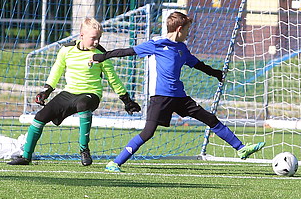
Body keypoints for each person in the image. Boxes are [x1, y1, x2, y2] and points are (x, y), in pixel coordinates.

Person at [90, 11, 265, 172]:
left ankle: (241, 148)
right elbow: (126, 51)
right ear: (179, 29)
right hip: (161, 98)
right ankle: (115, 163)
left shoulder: (182, 48)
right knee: (148, 132)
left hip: (180, 97)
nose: (188, 34)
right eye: (187, 30)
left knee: (210, 118)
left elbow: (197, 64)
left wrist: (215, 73)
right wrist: (101, 57)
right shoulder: (157, 44)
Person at [8, 18, 141, 166]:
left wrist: (126, 99)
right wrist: (46, 91)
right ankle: (26, 156)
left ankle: (84, 150)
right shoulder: (66, 50)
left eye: (99, 38)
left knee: (83, 104)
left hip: (91, 94)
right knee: (39, 117)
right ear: (81, 35)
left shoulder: (101, 54)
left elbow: (112, 78)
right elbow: (56, 70)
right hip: (69, 93)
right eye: (93, 38)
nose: (97, 42)